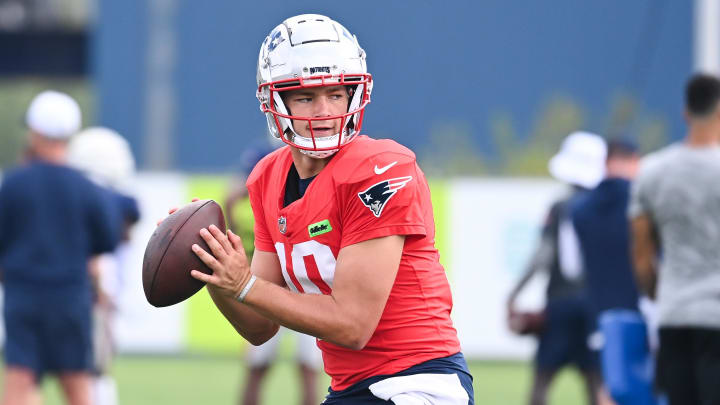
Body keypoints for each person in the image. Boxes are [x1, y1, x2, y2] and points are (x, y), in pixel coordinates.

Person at [177, 14, 473, 404]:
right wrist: (216, 273)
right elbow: (260, 327)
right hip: (351, 388)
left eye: (336, 94)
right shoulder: (267, 177)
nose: (324, 111)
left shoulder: (381, 168)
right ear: (274, 100)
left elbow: (353, 325)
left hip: (416, 382)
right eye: (305, 96)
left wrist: (244, 284)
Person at [0, 91, 121, 405]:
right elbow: (106, 239)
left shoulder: (12, 185)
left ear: (35, 133)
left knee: (20, 380)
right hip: (71, 299)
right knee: (77, 383)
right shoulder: (86, 189)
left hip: (22, 298)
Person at [629, 73, 720, 405]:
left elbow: (641, 254)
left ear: (685, 113)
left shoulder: (652, 171)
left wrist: (658, 294)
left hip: (675, 312)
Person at [506, 131, 607, 405]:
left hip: (561, 303)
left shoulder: (561, 207)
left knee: (542, 380)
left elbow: (542, 257)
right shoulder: (606, 208)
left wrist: (514, 294)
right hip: (594, 306)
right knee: (596, 381)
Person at [224, 145, 321, 405]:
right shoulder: (260, 201)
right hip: (275, 281)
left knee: (306, 368)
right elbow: (234, 199)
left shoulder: (309, 190)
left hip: (305, 282)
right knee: (261, 366)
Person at [572, 140, 660, 405]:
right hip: (643, 310)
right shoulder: (644, 200)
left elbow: (572, 267)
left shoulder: (580, 209)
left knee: (608, 388)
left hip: (599, 313)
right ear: (635, 160)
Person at [67, 126, 141, 405]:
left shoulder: (90, 200)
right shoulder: (118, 204)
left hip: (88, 290)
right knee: (95, 368)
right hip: (95, 291)